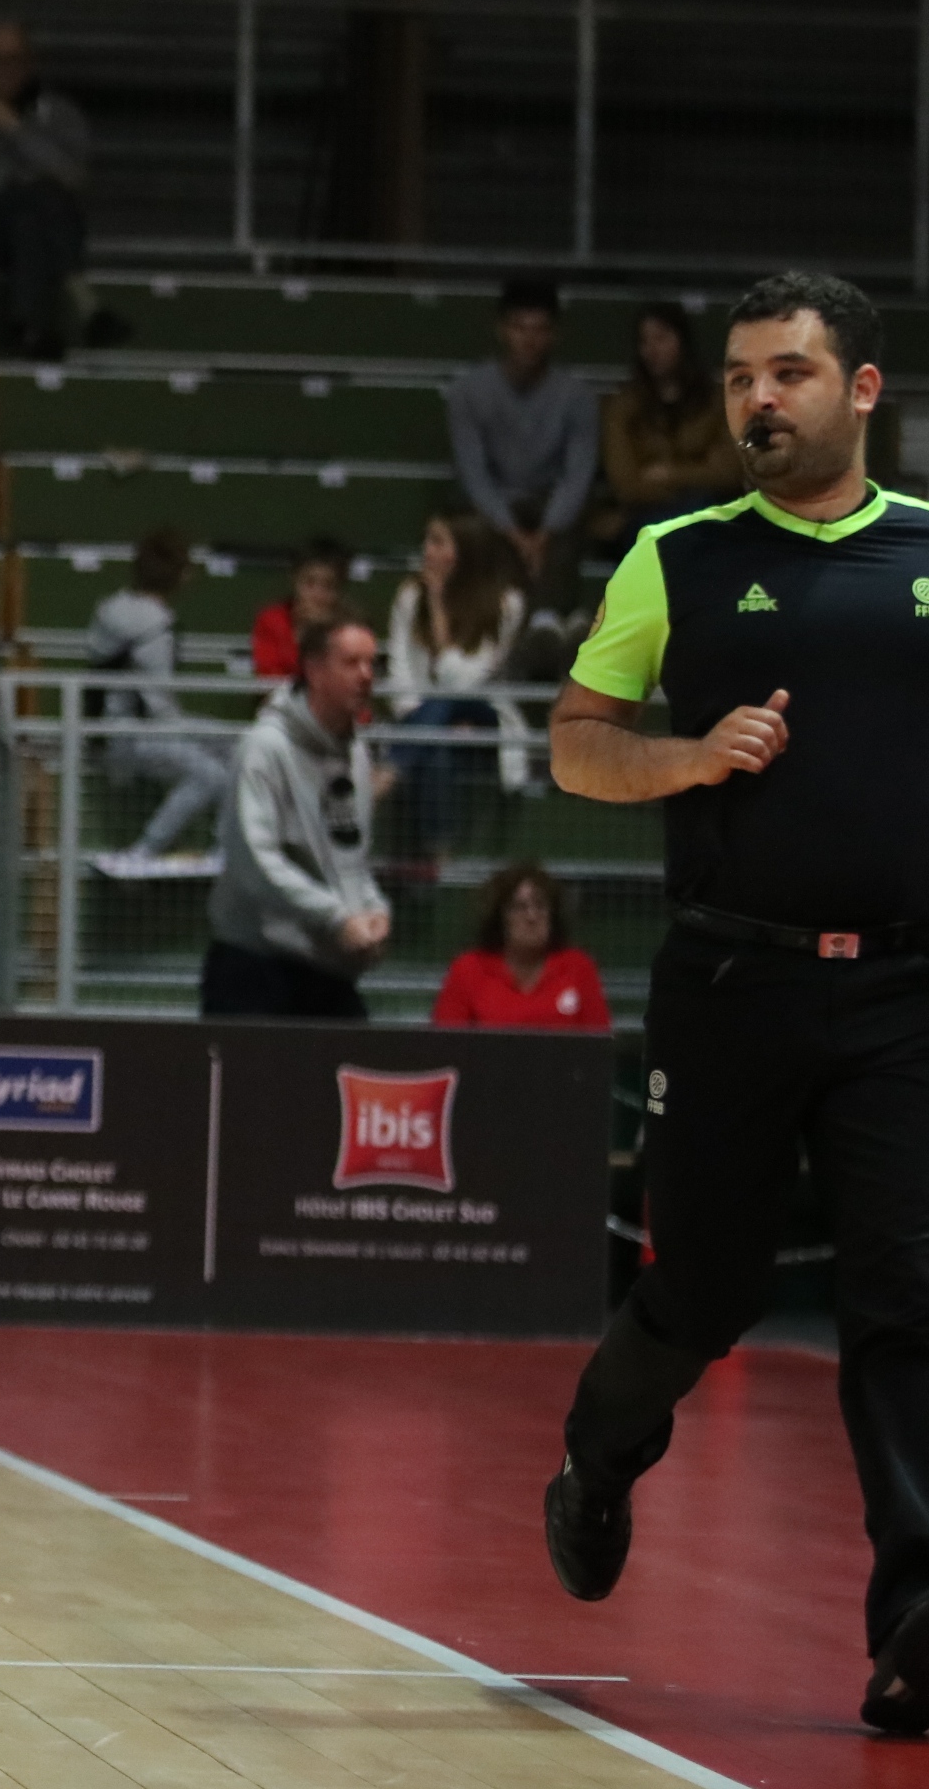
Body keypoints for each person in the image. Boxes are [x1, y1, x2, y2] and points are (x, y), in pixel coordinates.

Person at [538, 271, 929, 1734]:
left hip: (907, 988)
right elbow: (580, 747)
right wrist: (689, 756)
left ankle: (914, 1633)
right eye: (739, 379)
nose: (759, 400)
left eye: (790, 374)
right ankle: (597, 1455)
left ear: (864, 392)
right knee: (704, 1291)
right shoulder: (676, 558)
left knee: (909, 1294)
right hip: (729, 980)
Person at [199, 614, 389, 1020]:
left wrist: (373, 908)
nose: (366, 675)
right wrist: (337, 916)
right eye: (352, 663)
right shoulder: (263, 748)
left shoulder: (356, 752)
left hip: (325, 968)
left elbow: (350, 854)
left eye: (372, 663)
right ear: (315, 670)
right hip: (254, 970)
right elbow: (255, 860)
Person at [0, 19, 125, 359]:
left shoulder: (61, 114)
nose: (5, 71)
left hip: (35, 227)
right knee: (38, 201)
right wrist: (26, 179)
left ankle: (30, 330)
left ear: (31, 65)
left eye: (14, 60)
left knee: (31, 218)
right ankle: (83, 302)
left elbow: (74, 175)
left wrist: (15, 130)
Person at [445, 278, 599, 677]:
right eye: (519, 327)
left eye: (540, 329)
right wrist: (515, 533)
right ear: (502, 330)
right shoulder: (468, 391)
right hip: (497, 502)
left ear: (555, 334)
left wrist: (545, 532)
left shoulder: (577, 395)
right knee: (480, 526)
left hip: (550, 502)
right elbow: (473, 474)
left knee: (574, 516)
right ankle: (516, 630)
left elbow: (577, 473)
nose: (529, 340)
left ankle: (545, 619)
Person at [88, 524, 230, 880]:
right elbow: (159, 704)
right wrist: (188, 736)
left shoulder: (110, 607)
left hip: (109, 728)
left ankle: (226, 847)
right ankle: (145, 850)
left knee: (235, 742)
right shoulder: (156, 626)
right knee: (211, 775)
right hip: (130, 736)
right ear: (180, 576)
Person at [382, 510, 525, 855]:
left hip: (482, 719)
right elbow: (398, 668)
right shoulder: (409, 596)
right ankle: (438, 855)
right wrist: (427, 719)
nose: (426, 551)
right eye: (427, 540)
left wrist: (438, 610)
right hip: (428, 722)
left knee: (444, 707)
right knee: (437, 751)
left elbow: (461, 683)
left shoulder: (506, 604)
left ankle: (388, 772)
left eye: (437, 542)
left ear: (465, 552)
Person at [599, 301, 744, 547]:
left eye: (661, 338)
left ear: (682, 341)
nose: (652, 349)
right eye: (645, 341)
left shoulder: (716, 401)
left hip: (707, 512)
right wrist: (692, 481)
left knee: (704, 520)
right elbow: (626, 485)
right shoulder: (623, 406)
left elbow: (728, 472)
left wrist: (667, 474)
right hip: (644, 518)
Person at [432, 861, 608, 1031]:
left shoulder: (579, 967)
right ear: (501, 917)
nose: (532, 916)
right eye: (519, 907)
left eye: (540, 906)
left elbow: (599, 1048)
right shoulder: (468, 969)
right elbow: (446, 1047)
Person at [248, 536, 348, 680]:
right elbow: (268, 676)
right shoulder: (271, 619)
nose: (317, 595)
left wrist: (325, 632)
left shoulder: (351, 625)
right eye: (309, 583)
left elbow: (346, 679)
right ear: (295, 580)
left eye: (329, 586)